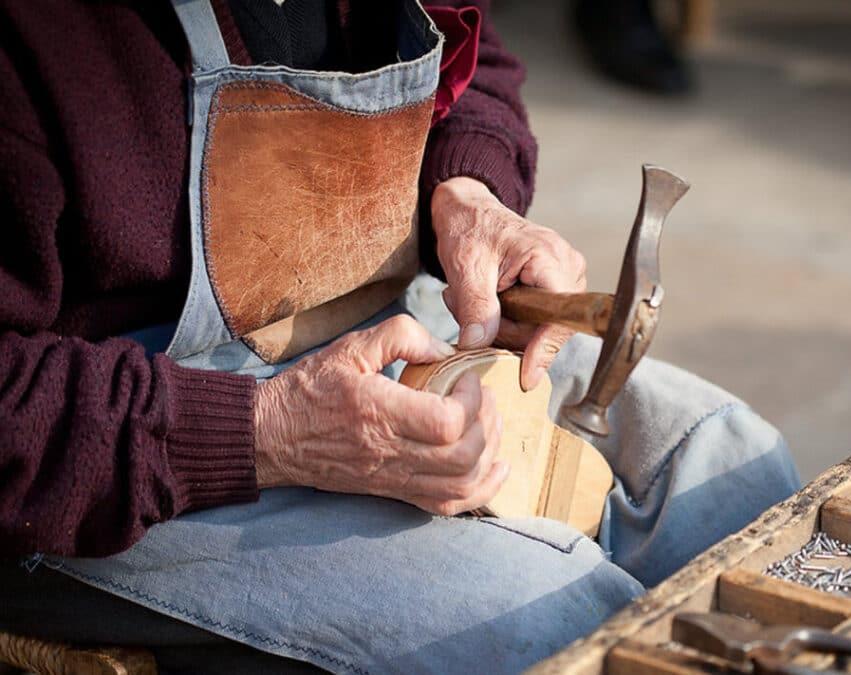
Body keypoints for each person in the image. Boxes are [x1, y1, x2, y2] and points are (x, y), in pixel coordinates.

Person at [0, 0, 800, 673]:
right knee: (552, 622)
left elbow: (476, 65)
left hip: (379, 317)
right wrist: (272, 431)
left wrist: (468, 188)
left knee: (730, 468)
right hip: (107, 447)